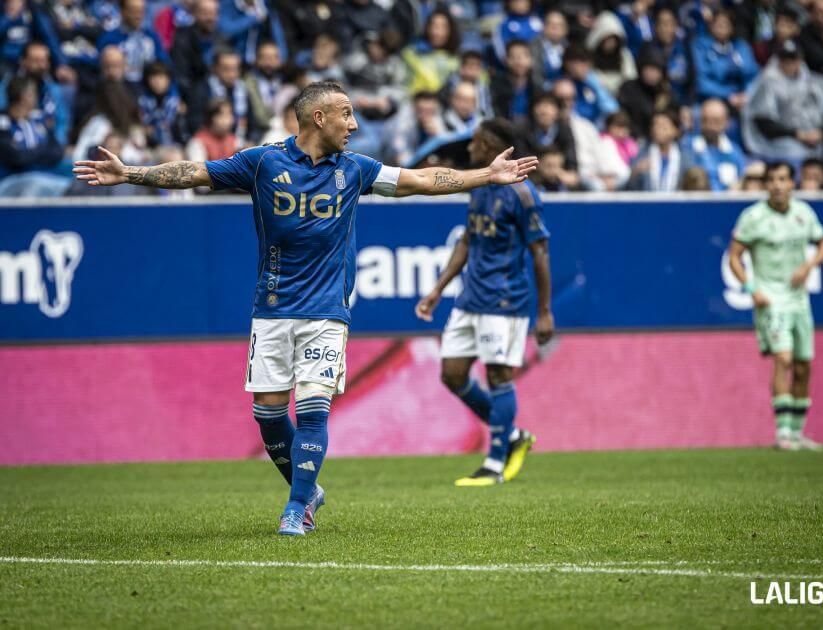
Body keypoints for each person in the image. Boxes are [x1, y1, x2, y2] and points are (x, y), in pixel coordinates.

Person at [72, 80, 538, 534]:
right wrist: (129, 174)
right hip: (272, 309)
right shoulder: (263, 163)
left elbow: (419, 180)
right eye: (346, 115)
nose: (354, 125)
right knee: (270, 417)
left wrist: (485, 175)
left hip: (326, 310)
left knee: (313, 411)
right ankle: (308, 489)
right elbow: (196, 172)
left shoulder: (355, 168)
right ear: (319, 118)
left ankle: (297, 509)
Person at [414, 118, 551, 486]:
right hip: (470, 297)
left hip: (504, 299)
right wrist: (439, 288)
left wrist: (545, 311)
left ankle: (494, 463)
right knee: (452, 374)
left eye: (476, 141)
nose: (471, 147)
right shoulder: (479, 186)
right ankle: (511, 434)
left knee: (498, 375)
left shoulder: (523, 194)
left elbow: (540, 252)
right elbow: (467, 241)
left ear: (491, 145)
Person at [728, 161, 823, 451]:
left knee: (803, 366)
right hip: (771, 299)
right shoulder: (753, 217)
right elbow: (734, 256)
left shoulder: (803, 213)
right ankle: (782, 432)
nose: (776, 185)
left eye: (782, 179)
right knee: (782, 359)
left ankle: (797, 433)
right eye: (771, 180)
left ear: (791, 184)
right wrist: (751, 289)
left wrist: (809, 265)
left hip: (799, 300)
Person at [742, 39, 823, 163]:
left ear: (801, 60)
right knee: (794, 153)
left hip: (817, 139)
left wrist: (822, 132)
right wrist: (798, 135)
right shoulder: (766, 83)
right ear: (778, 60)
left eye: (793, 59)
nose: (789, 64)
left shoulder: (818, 83)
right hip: (782, 143)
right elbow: (765, 124)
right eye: (785, 60)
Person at [681, 98, 746, 191]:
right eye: (705, 120)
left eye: (716, 121)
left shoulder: (734, 151)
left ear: (727, 122)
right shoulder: (687, 146)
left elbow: (742, 178)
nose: (710, 126)